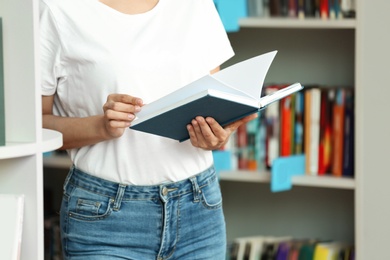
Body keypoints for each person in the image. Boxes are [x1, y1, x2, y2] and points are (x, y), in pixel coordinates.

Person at [40, 0, 256, 259]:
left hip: (198, 210)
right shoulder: (55, 8)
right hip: (104, 219)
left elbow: (212, 104)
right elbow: (32, 126)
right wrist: (100, 127)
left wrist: (215, 135)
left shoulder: (196, 4)